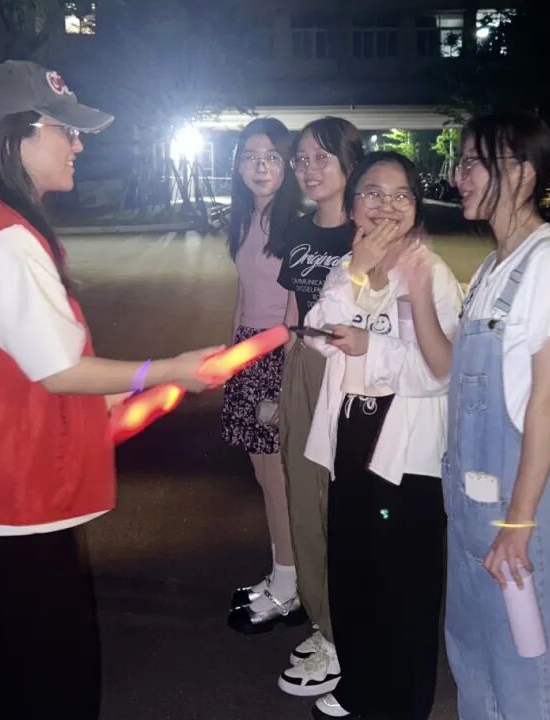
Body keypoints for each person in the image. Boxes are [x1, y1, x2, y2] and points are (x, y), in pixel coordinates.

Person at [0, 60, 223, 720]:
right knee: (53, 672)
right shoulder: (8, 239)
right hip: (17, 493)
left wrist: (119, 395)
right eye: (67, 130)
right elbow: (59, 371)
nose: (79, 146)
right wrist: (166, 370)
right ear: (19, 135)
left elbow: (27, 364)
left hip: (0, 491)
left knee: (4, 658)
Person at [303, 151, 463, 719]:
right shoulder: (346, 265)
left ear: (416, 206)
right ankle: (360, 684)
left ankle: (402, 702)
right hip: (352, 431)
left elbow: (442, 372)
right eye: (373, 193)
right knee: (353, 565)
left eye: (401, 195)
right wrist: (356, 273)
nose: (387, 205)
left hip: (406, 446)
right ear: (353, 206)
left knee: (404, 582)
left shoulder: (431, 273)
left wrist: (373, 348)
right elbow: (316, 334)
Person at [443, 111, 550, 719]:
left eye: (474, 163)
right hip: (470, 506)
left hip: (518, 510)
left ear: (522, 173)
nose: (459, 176)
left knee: (531, 676)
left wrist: (520, 521)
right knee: (475, 658)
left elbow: (548, 402)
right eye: (460, 162)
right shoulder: (490, 269)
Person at [273, 117, 364, 699]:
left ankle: (347, 631)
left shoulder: (369, 231)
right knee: (303, 498)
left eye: (321, 157)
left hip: (352, 374)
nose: (308, 169)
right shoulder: (300, 230)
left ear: (350, 162)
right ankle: (323, 621)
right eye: (301, 159)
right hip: (304, 367)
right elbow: (292, 310)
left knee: (344, 505)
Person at [223, 117, 305, 633]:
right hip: (248, 353)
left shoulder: (293, 223)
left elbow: (295, 313)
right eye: (250, 156)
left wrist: (275, 375)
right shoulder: (245, 219)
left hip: (275, 355)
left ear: (286, 165)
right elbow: (243, 293)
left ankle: (289, 588)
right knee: (263, 474)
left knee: (277, 479)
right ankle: (282, 574)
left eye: (272, 156)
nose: (260, 166)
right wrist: (231, 357)